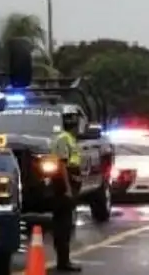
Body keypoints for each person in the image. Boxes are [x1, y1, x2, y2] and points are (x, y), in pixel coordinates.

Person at [50, 111, 83, 272]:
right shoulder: (64, 139)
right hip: (64, 185)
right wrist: (68, 188)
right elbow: (62, 165)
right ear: (74, 125)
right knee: (64, 225)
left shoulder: (67, 138)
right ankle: (63, 262)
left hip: (68, 183)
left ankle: (64, 260)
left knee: (65, 223)